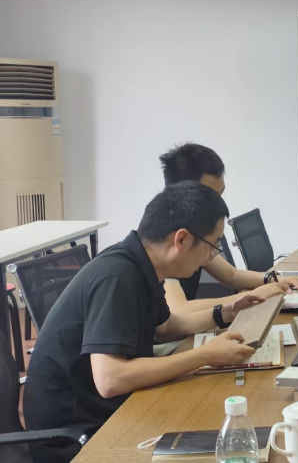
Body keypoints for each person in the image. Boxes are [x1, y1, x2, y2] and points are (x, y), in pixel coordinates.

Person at [23, 182, 264, 462]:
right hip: (74, 439)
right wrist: (205, 355)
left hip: (103, 411)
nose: (211, 256)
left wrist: (225, 313)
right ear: (182, 240)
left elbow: (163, 328)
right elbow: (110, 379)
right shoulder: (118, 276)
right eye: (213, 246)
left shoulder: (139, 263)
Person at [158, 142, 298, 314]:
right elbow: (178, 310)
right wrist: (253, 295)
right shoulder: (166, 238)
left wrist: (275, 279)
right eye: (212, 196)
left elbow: (231, 275)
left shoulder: (197, 231)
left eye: (221, 194)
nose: (220, 204)